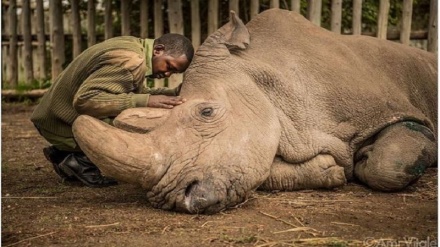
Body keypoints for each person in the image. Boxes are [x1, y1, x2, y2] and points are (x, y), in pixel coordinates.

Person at [31, 33, 195, 188]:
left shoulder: (133, 46)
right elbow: (85, 100)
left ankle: (65, 154)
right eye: (169, 66)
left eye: (173, 72)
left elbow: (131, 93)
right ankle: (79, 159)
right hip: (60, 123)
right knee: (137, 124)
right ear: (158, 50)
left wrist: (172, 94)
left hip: (53, 116)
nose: (167, 74)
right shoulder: (131, 60)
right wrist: (146, 101)